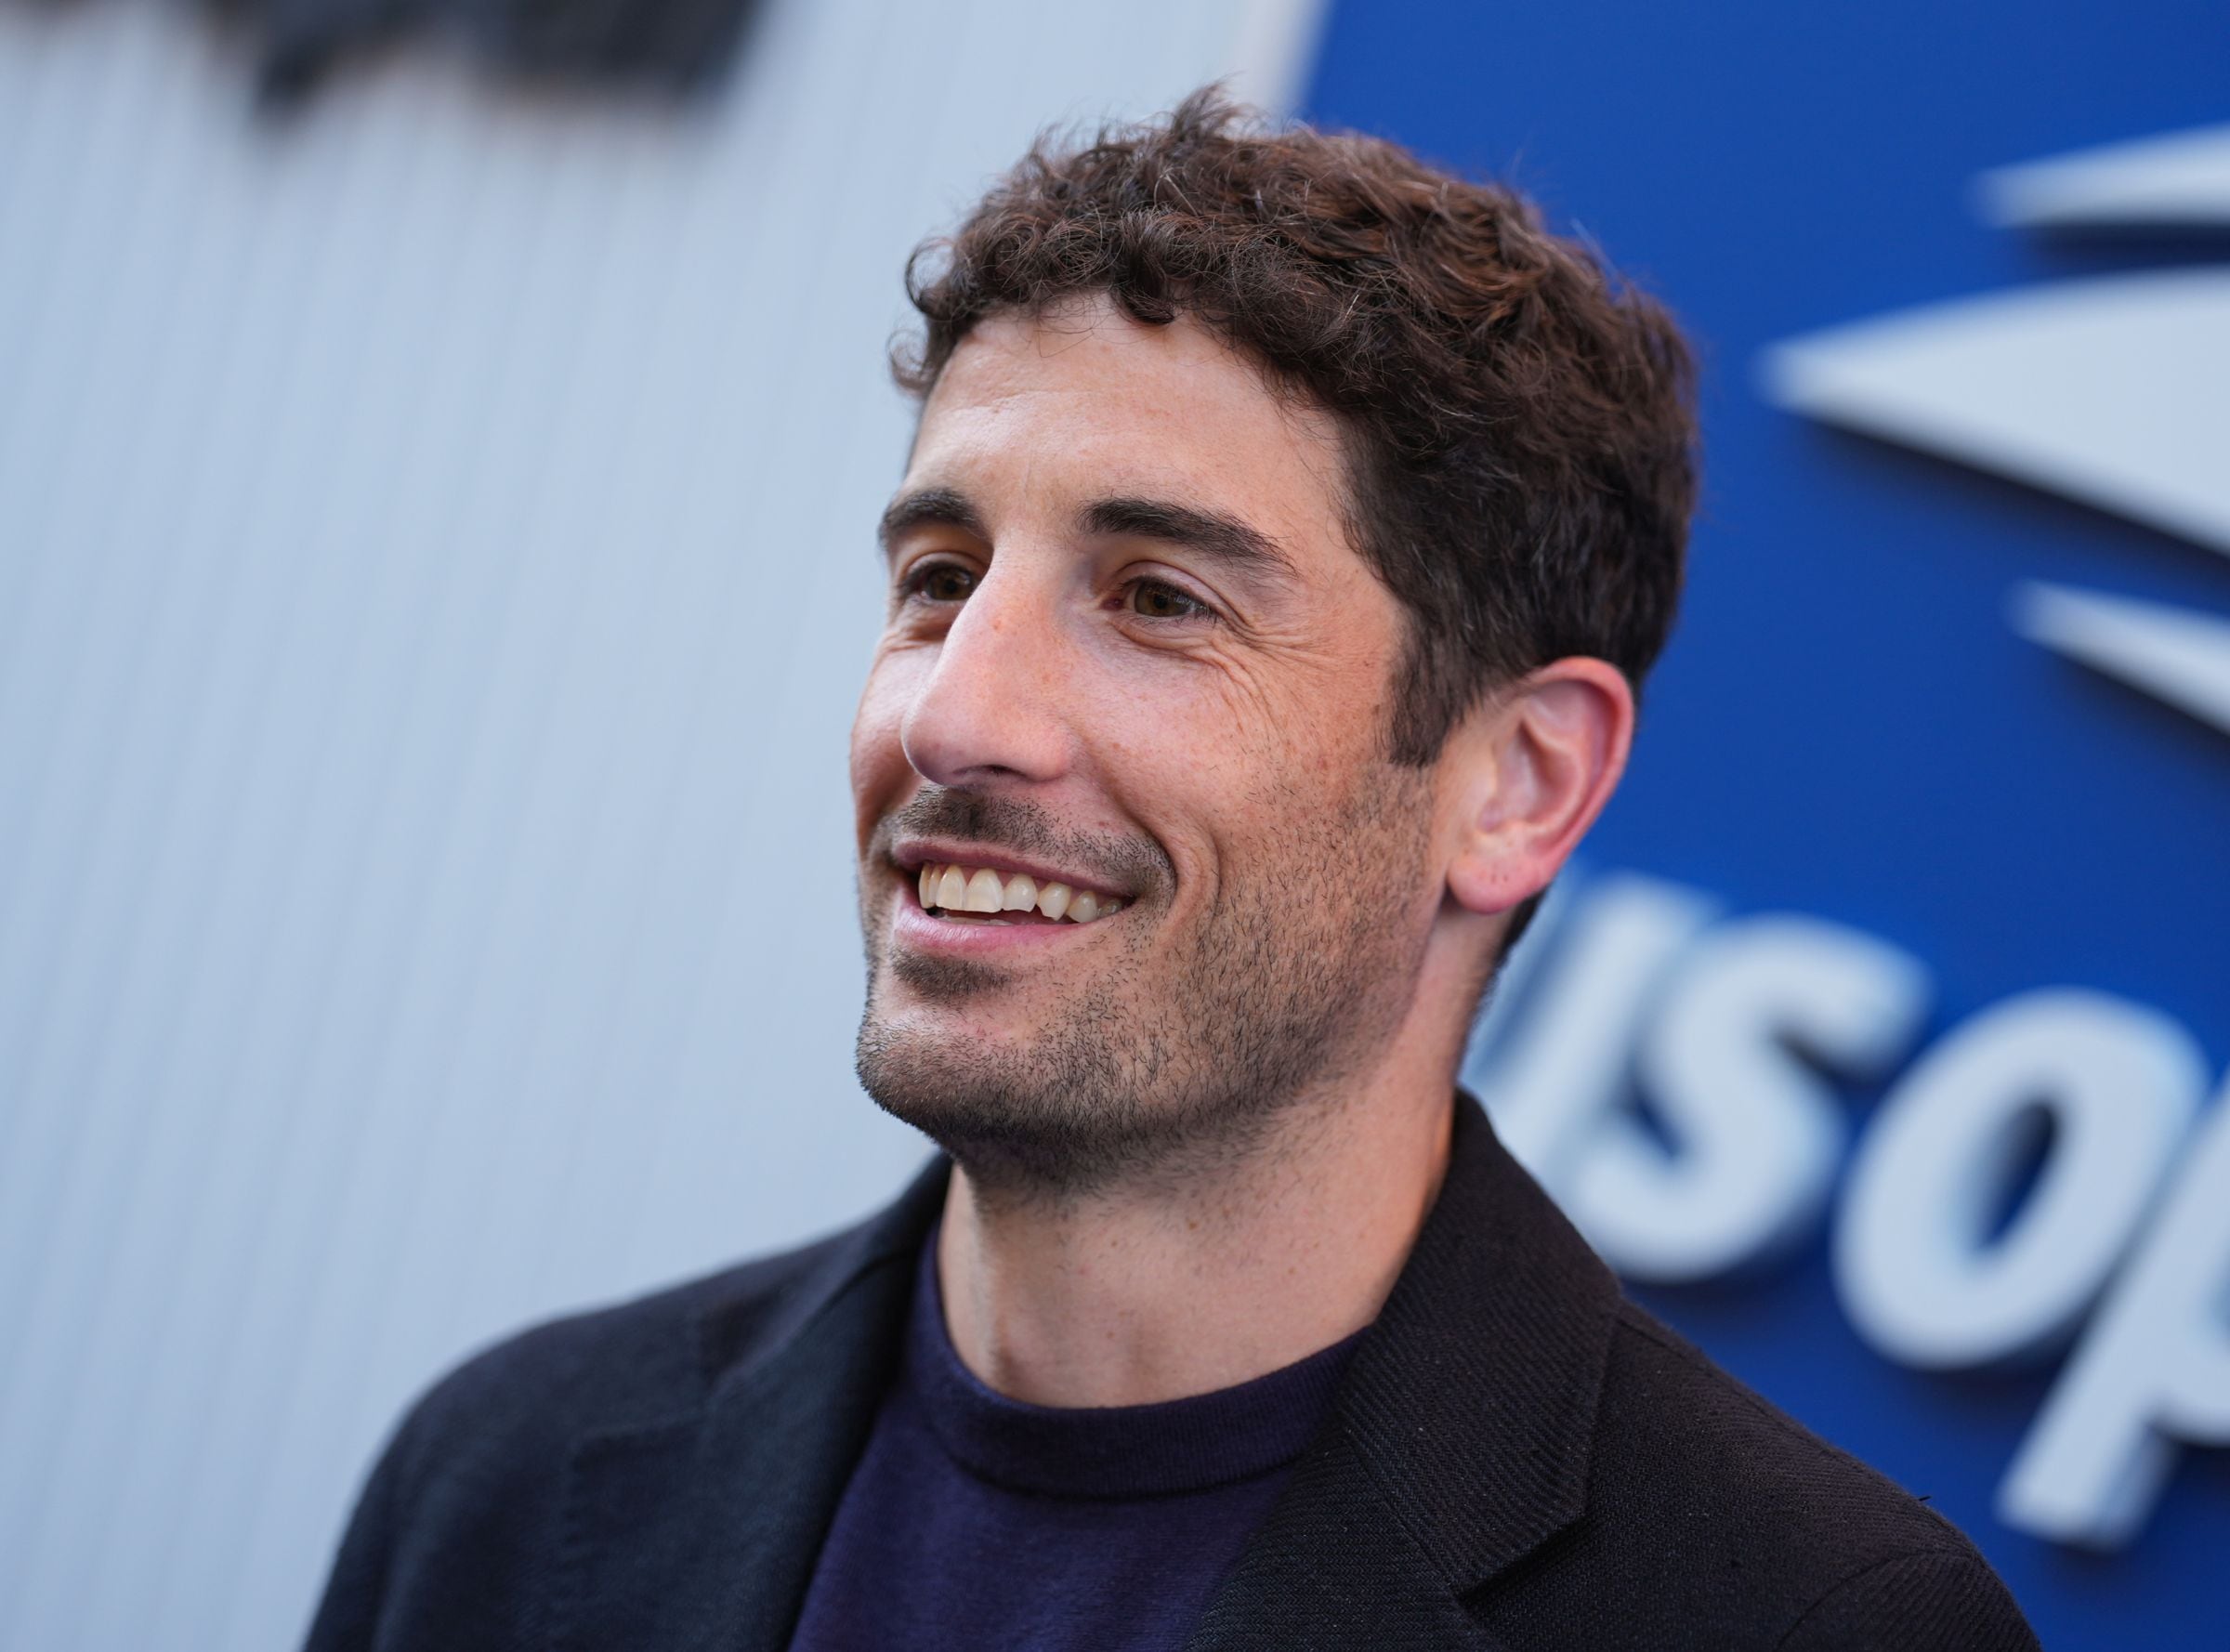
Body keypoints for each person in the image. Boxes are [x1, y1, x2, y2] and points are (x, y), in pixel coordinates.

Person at [303, 90, 2038, 1651]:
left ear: (1516, 781)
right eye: (937, 574)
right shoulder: (508, 1477)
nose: (958, 711)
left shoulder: (1810, 1625)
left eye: (1157, 598)